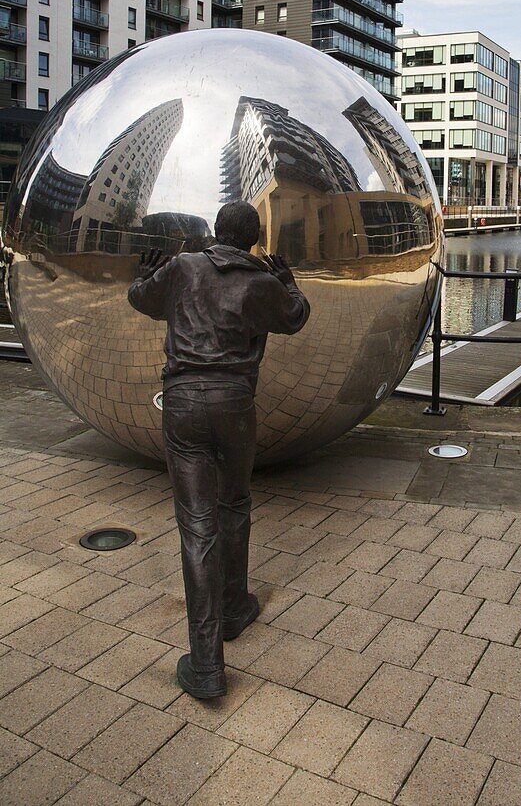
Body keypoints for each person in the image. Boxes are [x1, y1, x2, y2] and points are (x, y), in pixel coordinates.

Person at [128, 200, 310, 700]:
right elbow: (296, 317)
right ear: (252, 241)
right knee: (234, 503)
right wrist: (289, 281)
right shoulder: (262, 283)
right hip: (235, 405)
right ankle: (232, 608)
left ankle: (207, 662)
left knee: (197, 526)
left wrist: (142, 278)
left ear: (215, 231)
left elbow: (142, 300)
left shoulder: (185, 268)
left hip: (185, 403)